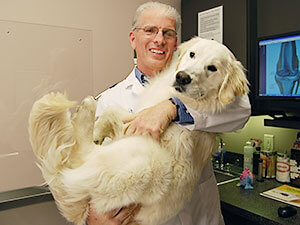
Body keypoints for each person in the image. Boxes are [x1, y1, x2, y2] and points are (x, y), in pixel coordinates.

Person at [87, 2, 251, 225]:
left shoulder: (202, 84)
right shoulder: (110, 100)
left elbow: (242, 109)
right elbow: (98, 167)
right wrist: (92, 217)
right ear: (133, 39)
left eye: (168, 33)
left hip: (199, 217)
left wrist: (172, 107)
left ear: (176, 44)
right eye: (150, 30)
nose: (159, 40)